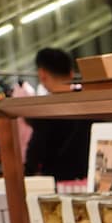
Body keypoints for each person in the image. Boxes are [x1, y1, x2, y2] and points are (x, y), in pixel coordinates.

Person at [23, 48, 92, 181]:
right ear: (71, 73)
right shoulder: (90, 101)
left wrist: (27, 173)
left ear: (42, 74)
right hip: (90, 180)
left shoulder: (45, 110)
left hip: (57, 182)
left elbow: (34, 155)